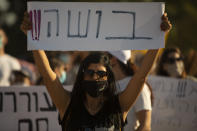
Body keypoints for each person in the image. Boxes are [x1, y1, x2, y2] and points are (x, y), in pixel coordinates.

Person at [21, 11, 171, 130]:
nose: (95, 77)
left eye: (101, 74)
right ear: (82, 76)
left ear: (108, 78)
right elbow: (48, 75)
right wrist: (32, 37)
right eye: (90, 73)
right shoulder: (68, 104)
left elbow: (140, 77)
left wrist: (159, 38)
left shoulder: (118, 106)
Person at [108, 50, 153, 131]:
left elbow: (145, 125)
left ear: (113, 59)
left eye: (104, 58)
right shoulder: (106, 85)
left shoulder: (138, 87)